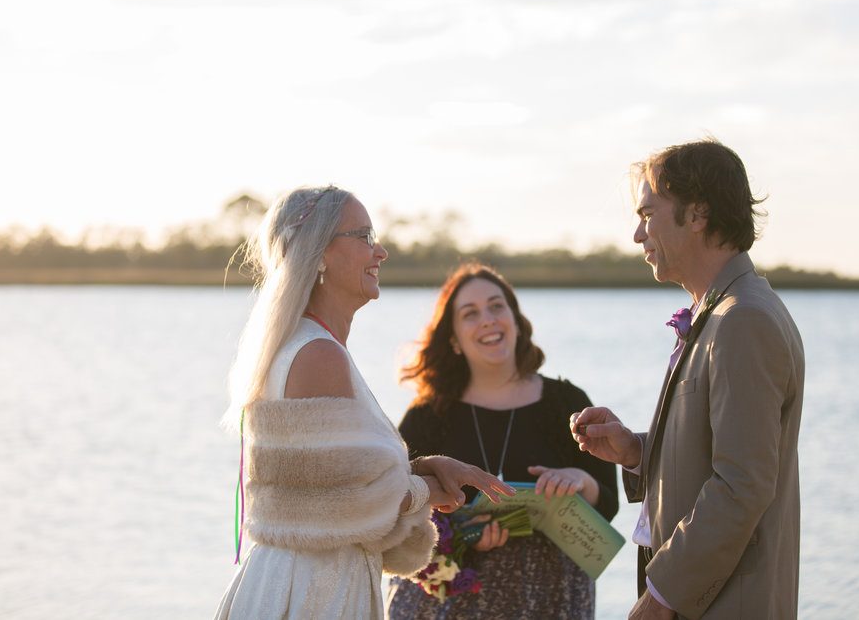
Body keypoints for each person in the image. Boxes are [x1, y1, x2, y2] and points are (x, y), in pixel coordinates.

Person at [213, 186, 514, 619]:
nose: (382, 252)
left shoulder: (310, 346)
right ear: (319, 254)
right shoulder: (318, 354)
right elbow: (350, 506)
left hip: (312, 579)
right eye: (365, 236)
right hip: (312, 592)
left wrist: (424, 468)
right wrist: (430, 490)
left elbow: (323, 486)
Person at [572, 140, 805, 620]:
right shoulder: (719, 312)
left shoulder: (744, 321)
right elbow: (719, 453)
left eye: (648, 213)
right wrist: (637, 451)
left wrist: (660, 599)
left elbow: (742, 485)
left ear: (697, 213)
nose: (638, 234)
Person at [387, 263, 619, 619]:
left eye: (497, 306)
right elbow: (397, 512)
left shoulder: (567, 402)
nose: (488, 320)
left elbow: (609, 505)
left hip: (552, 600)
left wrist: (581, 481)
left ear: (515, 318)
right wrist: (464, 535)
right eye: (470, 313)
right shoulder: (427, 417)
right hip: (450, 607)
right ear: (453, 337)